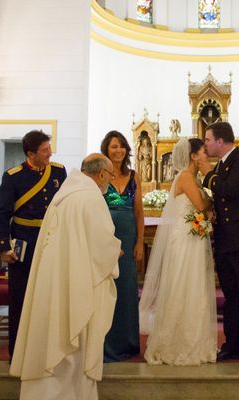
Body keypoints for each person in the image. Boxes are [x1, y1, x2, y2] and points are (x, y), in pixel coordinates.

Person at [10, 153, 121, 400]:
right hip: (76, 284)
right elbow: (102, 245)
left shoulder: (64, 196)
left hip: (52, 282)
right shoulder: (91, 198)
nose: (110, 182)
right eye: (110, 176)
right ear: (102, 174)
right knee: (73, 343)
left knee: (51, 336)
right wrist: (116, 250)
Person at [139, 138, 218, 365]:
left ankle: (194, 341)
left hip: (192, 236)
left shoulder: (192, 177)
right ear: (193, 156)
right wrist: (213, 194)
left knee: (193, 286)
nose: (205, 154)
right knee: (185, 284)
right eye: (202, 151)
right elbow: (202, 206)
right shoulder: (185, 177)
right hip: (185, 239)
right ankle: (178, 343)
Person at [0, 130, 67, 359]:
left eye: (49, 148)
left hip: (51, 241)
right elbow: (2, 214)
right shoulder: (13, 176)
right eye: (45, 150)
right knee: (21, 297)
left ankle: (48, 350)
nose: (50, 153)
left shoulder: (58, 171)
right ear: (30, 153)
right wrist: (4, 247)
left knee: (50, 297)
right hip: (24, 243)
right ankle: (18, 352)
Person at [199, 121, 239, 366]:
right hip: (225, 239)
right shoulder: (224, 165)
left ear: (220, 140)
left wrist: (207, 172)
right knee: (231, 295)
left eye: (207, 139)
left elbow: (229, 190)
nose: (205, 144)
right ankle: (234, 344)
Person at [100, 130, 144, 361]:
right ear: (106, 149)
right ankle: (106, 344)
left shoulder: (134, 176)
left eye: (121, 146)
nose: (118, 150)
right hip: (105, 237)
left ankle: (128, 342)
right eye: (113, 146)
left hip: (128, 235)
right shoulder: (100, 175)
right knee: (107, 288)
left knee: (126, 290)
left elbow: (139, 213)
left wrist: (139, 242)